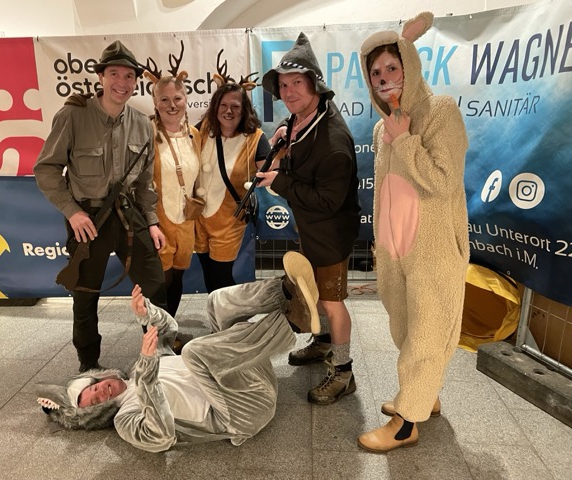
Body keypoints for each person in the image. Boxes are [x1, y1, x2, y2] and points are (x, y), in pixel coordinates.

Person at [35, 252, 319, 452]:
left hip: (244, 374)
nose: (101, 393)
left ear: (98, 379)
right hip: (242, 411)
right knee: (194, 353)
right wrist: (147, 374)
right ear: (96, 413)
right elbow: (160, 438)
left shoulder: (135, 371)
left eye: (93, 389)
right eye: (94, 402)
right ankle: (293, 323)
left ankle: (284, 291)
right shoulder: (125, 419)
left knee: (216, 302)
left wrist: (146, 314)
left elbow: (167, 330)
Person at [356, 12, 469, 453]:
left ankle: (406, 424)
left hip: (433, 250)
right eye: (376, 72)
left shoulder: (441, 111)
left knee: (425, 331)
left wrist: (405, 139)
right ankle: (424, 396)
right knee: (404, 326)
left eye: (392, 67)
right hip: (395, 248)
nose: (384, 78)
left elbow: (442, 180)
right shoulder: (380, 126)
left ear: (410, 65)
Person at [34, 41, 167, 373]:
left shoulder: (142, 123)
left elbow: (144, 181)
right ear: (101, 77)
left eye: (129, 76)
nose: (122, 82)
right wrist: (72, 211)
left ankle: (158, 353)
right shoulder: (73, 116)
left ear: (136, 81)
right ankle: (88, 363)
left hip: (129, 213)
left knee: (154, 284)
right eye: (114, 74)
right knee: (85, 292)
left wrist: (151, 221)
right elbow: (46, 169)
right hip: (88, 216)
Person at [259, 32, 361, 405]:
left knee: (332, 301)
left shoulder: (334, 141)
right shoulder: (305, 117)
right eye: (283, 85)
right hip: (311, 227)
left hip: (330, 233)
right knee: (313, 291)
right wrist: (286, 140)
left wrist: (279, 180)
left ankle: (344, 371)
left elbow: (327, 201)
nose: (288, 92)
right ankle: (322, 342)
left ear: (314, 84)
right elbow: (304, 159)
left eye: (296, 84)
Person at [194, 67, 271, 293]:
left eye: (235, 106)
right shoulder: (203, 129)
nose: (229, 111)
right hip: (198, 218)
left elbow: (269, 170)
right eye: (224, 105)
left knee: (222, 276)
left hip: (229, 221)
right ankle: (218, 313)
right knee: (209, 275)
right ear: (215, 107)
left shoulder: (255, 138)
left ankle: (231, 313)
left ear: (244, 109)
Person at [148, 69, 202, 316]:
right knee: (160, 281)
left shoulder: (194, 135)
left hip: (185, 221)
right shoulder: (148, 133)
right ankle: (154, 334)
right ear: (155, 102)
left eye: (177, 98)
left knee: (177, 278)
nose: (172, 105)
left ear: (185, 99)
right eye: (164, 99)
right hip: (158, 223)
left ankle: (168, 331)